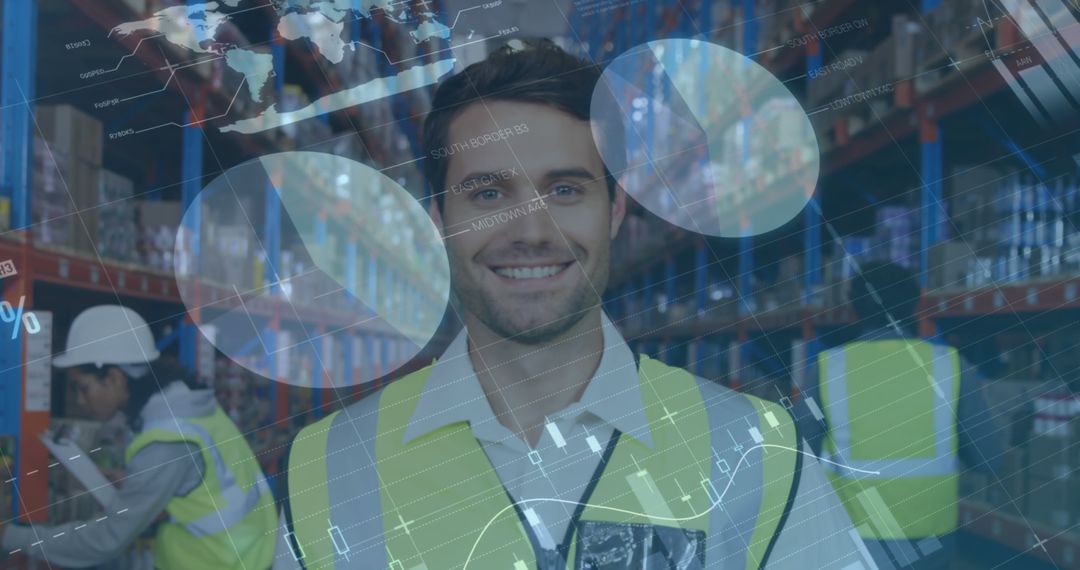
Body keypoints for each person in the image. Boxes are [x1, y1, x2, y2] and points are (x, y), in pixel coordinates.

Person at [275, 39, 867, 570]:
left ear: (614, 210)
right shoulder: (330, 464)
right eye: (487, 192)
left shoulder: (757, 450)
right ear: (439, 222)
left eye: (564, 189)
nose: (531, 231)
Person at [1, 305, 278, 569]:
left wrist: (11, 536)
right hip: (245, 555)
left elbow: (106, 539)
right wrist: (136, 480)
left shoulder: (165, 441)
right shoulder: (187, 406)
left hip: (215, 563)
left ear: (114, 379)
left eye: (82, 388)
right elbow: (198, 480)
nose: (80, 401)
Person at [795, 262, 1004, 569]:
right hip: (931, 540)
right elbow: (990, 459)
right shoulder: (950, 366)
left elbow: (798, 456)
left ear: (854, 307)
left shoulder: (828, 368)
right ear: (915, 304)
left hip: (853, 540)